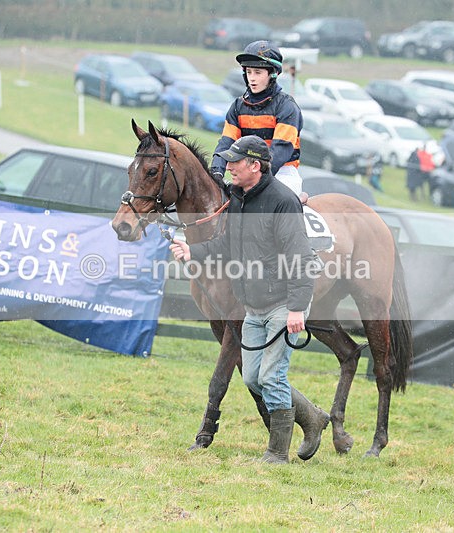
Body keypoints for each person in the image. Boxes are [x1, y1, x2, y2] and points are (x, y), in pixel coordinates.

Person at [170, 136, 329, 464]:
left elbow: (300, 258)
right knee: (252, 376)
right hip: (255, 304)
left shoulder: (282, 202)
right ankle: (312, 417)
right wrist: (192, 251)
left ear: (255, 166)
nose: (227, 168)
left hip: (284, 303)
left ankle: (277, 454)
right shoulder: (239, 199)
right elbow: (226, 245)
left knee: (272, 376)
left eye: (235, 162)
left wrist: (298, 307)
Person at [211, 40, 304, 196]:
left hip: (282, 173)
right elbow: (226, 142)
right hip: (247, 172)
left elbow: (280, 150)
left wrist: (257, 177)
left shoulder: (287, 107)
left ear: (273, 74)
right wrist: (216, 172)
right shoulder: (237, 106)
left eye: (258, 73)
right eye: (249, 72)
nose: (252, 78)